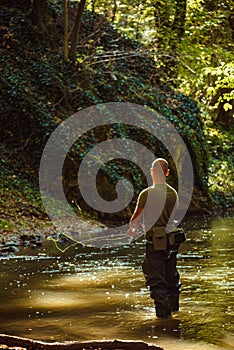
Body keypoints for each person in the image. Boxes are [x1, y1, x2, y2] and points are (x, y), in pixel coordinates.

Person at [128, 158, 184, 318]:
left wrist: (131, 231)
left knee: (156, 281)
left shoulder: (146, 194)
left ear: (152, 172)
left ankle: (163, 322)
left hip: (155, 243)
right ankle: (174, 314)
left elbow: (136, 220)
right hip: (172, 242)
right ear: (166, 173)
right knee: (171, 278)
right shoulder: (173, 193)